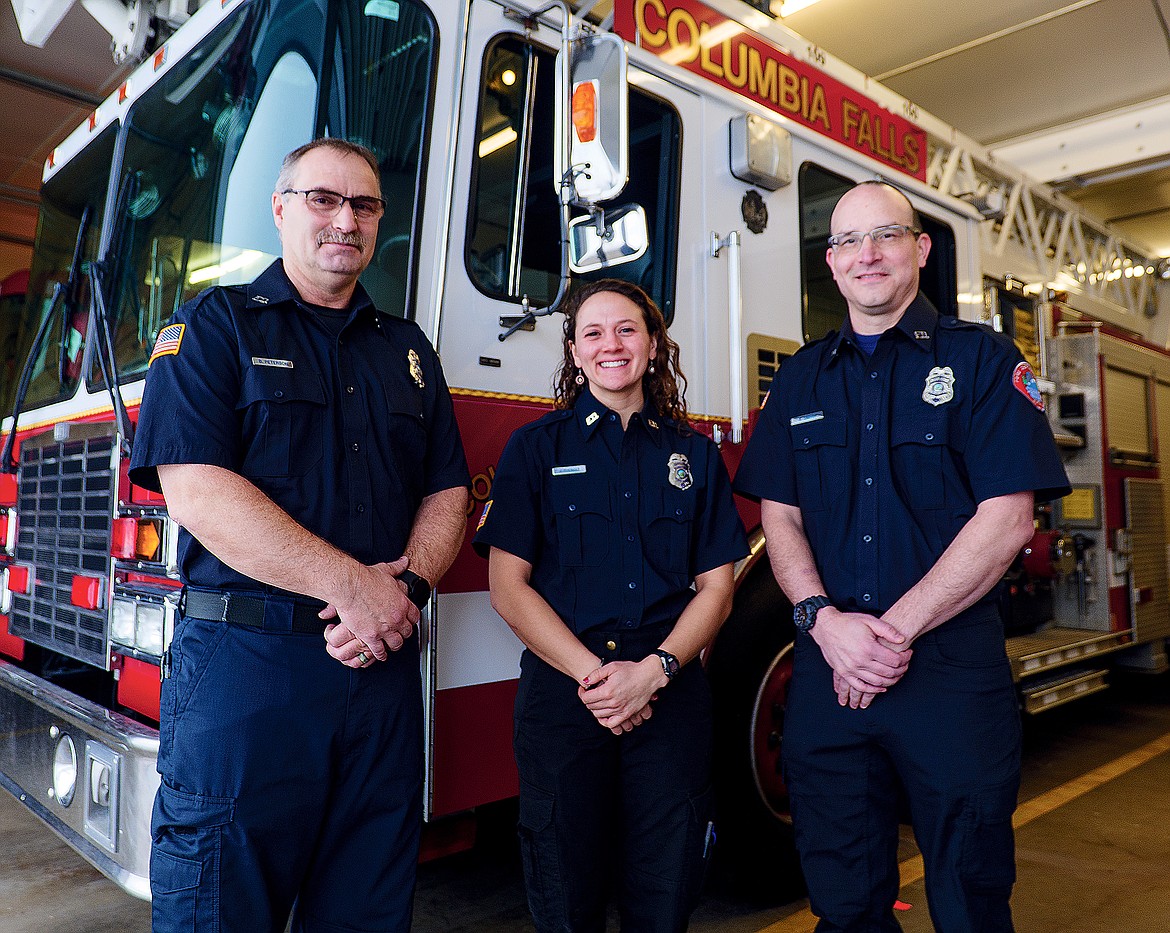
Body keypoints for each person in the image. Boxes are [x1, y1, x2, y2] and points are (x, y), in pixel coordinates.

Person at [129, 138, 470, 933]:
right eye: (323, 199)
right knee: (219, 908)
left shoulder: (409, 352)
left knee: (368, 911)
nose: (344, 220)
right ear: (281, 209)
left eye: (363, 205)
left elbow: (448, 491)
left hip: (379, 676)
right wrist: (355, 588)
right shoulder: (215, 326)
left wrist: (408, 587)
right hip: (248, 678)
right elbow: (197, 488)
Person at [735, 180, 1070, 932]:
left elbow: (1010, 516)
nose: (868, 254)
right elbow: (778, 517)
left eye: (886, 235)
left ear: (920, 249)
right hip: (829, 672)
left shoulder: (982, 362)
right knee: (845, 902)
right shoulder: (800, 377)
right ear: (831, 264)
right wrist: (825, 623)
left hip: (949, 673)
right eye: (849, 241)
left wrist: (887, 633)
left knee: (970, 897)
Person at [473, 279, 748, 932]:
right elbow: (507, 586)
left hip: (670, 699)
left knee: (665, 898)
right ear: (573, 351)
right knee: (565, 899)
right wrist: (596, 679)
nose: (610, 344)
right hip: (566, 702)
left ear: (654, 345)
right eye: (592, 332)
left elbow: (718, 587)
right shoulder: (535, 450)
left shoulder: (696, 456)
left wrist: (653, 671)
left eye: (626, 329)